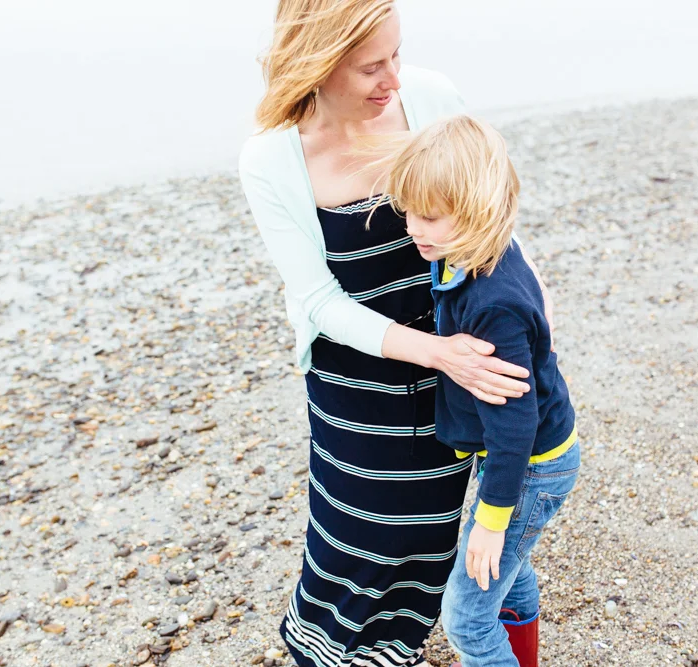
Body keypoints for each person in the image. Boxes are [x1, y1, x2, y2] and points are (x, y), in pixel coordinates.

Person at [238, 2, 556, 665]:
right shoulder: (271, 160)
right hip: (359, 384)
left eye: (397, 55)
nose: (394, 79)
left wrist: (535, 320)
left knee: (469, 541)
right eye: (370, 68)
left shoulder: (430, 99)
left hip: (465, 365)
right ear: (317, 66)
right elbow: (319, 301)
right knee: (361, 543)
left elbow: (489, 212)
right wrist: (439, 354)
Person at [379, 114, 580, 667]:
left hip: (532, 463)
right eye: (407, 211)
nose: (413, 228)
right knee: (509, 574)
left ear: (477, 211)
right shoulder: (470, 249)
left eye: (429, 216)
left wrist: (491, 522)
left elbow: (515, 427)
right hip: (537, 456)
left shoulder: (494, 304)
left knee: (466, 617)